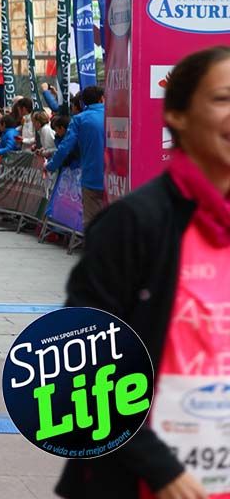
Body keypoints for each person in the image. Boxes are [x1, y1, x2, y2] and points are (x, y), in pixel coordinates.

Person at [55, 46, 230, 499]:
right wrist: (160, 469)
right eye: (223, 98)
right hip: (143, 479)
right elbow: (84, 364)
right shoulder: (135, 224)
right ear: (179, 116)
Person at [46, 85, 106, 228]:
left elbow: (65, 147)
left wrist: (51, 165)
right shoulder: (115, 115)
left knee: (92, 221)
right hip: (117, 179)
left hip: (91, 177)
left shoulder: (79, 119)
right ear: (102, 99)